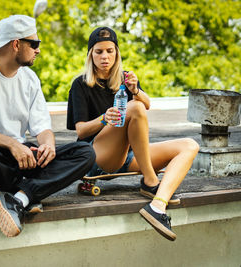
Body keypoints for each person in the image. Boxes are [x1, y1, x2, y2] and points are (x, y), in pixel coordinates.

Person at [0, 15, 95, 238]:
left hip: (15, 161)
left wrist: (48, 147)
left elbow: (43, 129)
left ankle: (19, 198)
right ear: (16, 44)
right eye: (34, 44)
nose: (38, 50)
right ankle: (29, 190)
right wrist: (12, 144)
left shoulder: (30, 79)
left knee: (85, 152)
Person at [67, 26, 199, 241]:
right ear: (90, 54)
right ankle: (150, 181)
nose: (105, 57)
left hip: (126, 157)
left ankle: (157, 205)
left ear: (117, 53)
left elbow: (147, 104)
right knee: (134, 108)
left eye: (110, 51)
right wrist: (104, 118)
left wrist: (135, 90)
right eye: (99, 51)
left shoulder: (125, 79)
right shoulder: (81, 84)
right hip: (95, 156)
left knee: (190, 145)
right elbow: (80, 130)